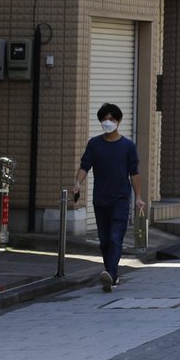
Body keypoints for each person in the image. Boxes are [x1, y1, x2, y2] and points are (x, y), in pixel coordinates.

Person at [73, 103, 146, 292]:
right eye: (105, 119)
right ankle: (110, 274)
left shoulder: (128, 146)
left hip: (121, 200)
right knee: (104, 240)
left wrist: (138, 197)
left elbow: (134, 173)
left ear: (119, 121)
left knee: (115, 238)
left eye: (112, 119)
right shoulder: (94, 144)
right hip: (100, 200)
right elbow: (84, 166)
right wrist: (78, 182)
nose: (108, 122)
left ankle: (111, 275)